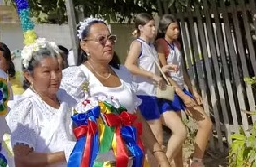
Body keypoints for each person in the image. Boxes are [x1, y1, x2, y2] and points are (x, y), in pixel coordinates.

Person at [61, 17, 171, 167]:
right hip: (99, 162)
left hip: (131, 156)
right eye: (101, 39)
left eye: (111, 38)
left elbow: (136, 115)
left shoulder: (122, 73)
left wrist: (158, 153)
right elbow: (69, 125)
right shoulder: (77, 78)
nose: (108, 43)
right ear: (84, 45)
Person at [123, 13, 185, 164]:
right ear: (140, 27)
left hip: (156, 94)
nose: (154, 28)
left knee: (181, 131)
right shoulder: (137, 44)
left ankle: (166, 161)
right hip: (144, 96)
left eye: (154, 25)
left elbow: (151, 69)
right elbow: (128, 65)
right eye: (150, 25)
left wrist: (164, 70)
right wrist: (152, 75)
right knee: (156, 144)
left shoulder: (150, 46)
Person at [6, 39, 75, 166]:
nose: (55, 77)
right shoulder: (27, 107)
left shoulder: (67, 99)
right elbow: (22, 159)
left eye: (58, 70)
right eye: (47, 72)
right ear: (28, 75)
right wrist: (69, 153)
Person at [155, 15, 213, 167]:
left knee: (205, 123)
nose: (177, 31)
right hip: (169, 90)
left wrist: (193, 92)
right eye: (173, 28)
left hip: (181, 87)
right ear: (164, 29)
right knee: (179, 133)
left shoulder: (177, 45)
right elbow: (165, 74)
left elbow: (184, 71)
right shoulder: (160, 44)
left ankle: (196, 161)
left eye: (177, 28)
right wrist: (180, 94)